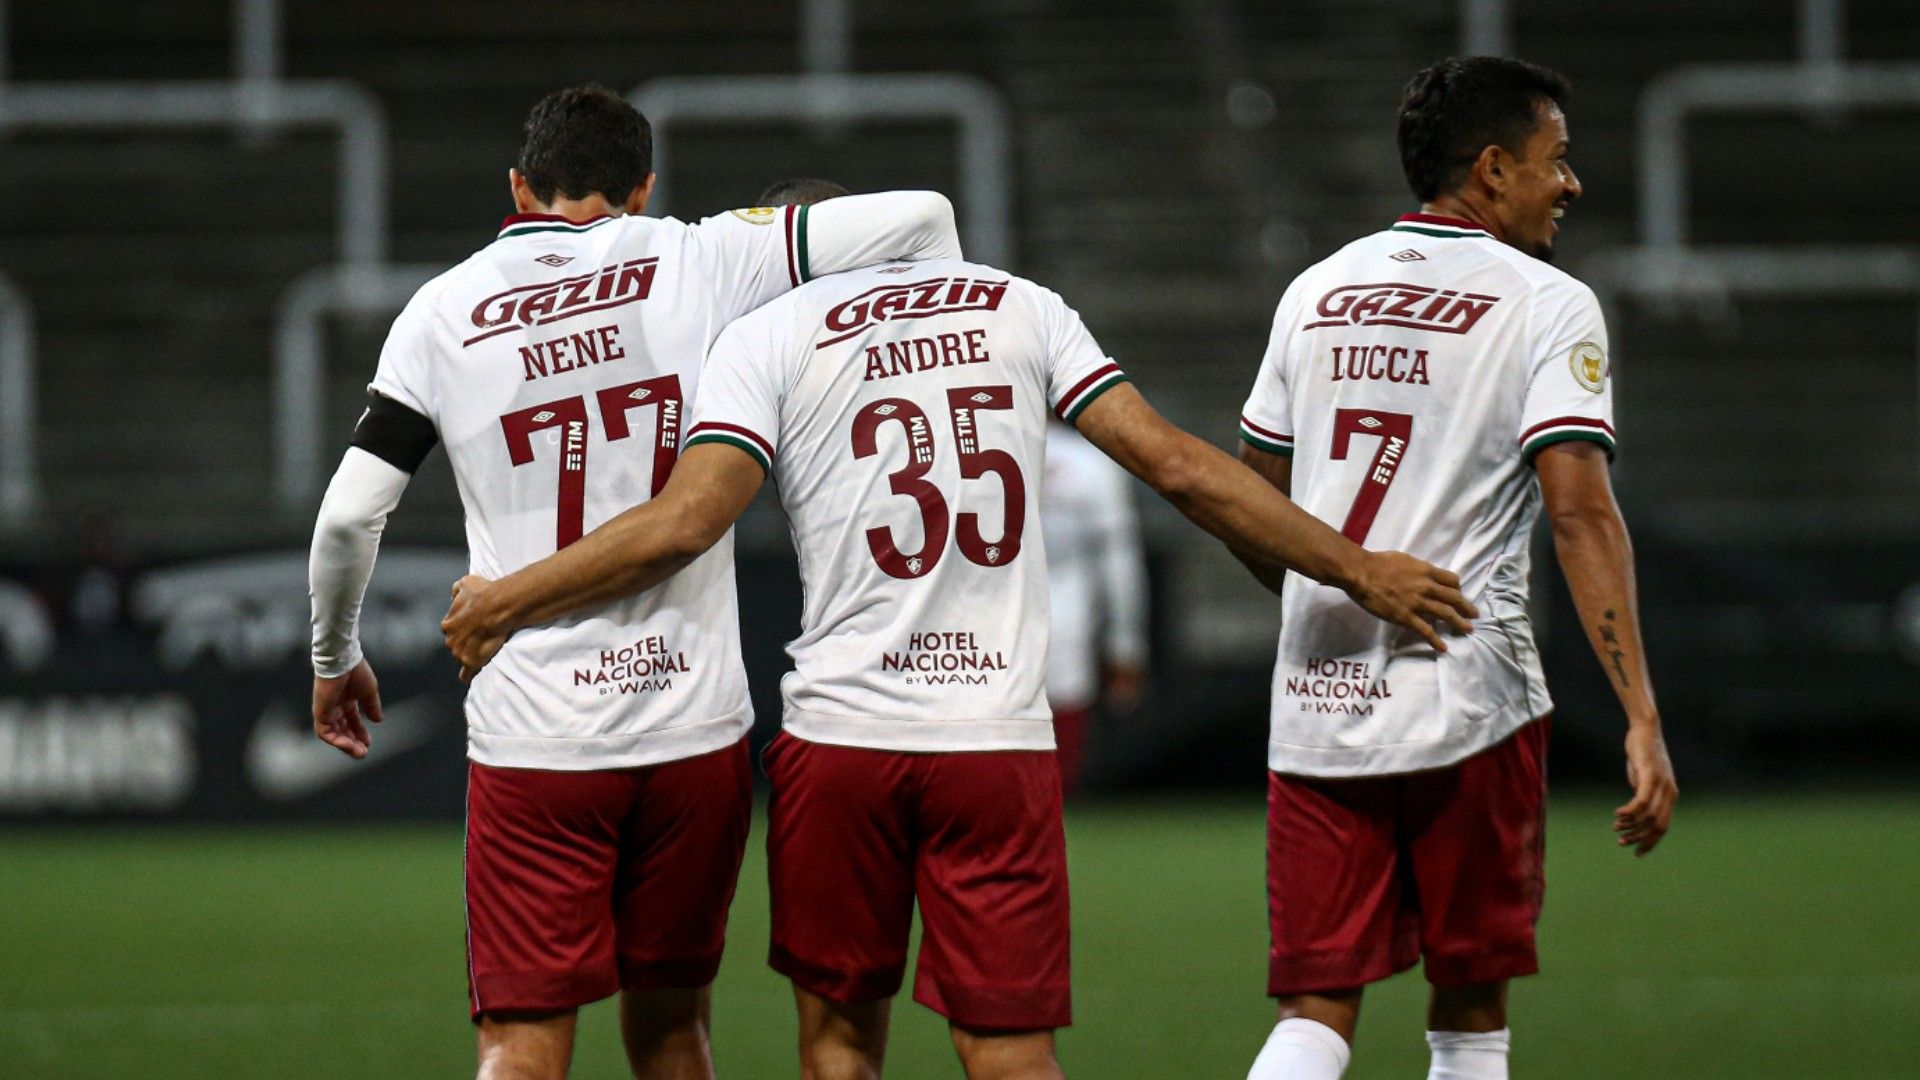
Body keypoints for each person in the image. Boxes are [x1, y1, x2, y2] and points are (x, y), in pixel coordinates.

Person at [440, 185, 1477, 1080]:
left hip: (843, 739)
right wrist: (1357, 566)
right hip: (995, 739)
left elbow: (684, 523)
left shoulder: (766, 336)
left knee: (840, 1043)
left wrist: (506, 599)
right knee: (1011, 1054)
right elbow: (1177, 466)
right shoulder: (1021, 304)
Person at [306, 87, 962, 1080]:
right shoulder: (701, 256)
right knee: (671, 1028)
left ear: (519, 187)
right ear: (643, 187)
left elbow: (350, 517)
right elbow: (921, 217)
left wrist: (333, 657)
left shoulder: (440, 311)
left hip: (537, 736)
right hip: (693, 727)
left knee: (522, 1044)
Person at [1233, 57, 1679, 1080]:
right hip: (1469, 697)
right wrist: (1642, 715)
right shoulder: (1547, 302)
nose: (1570, 183)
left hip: (1316, 700)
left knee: (1314, 1009)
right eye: (1555, 159)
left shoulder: (1315, 289)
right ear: (1492, 168)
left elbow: (1251, 498)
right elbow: (1580, 514)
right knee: (1471, 1008)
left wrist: (1326, 589)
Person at [1040, 417, 1148, 793]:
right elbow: (1119, 560)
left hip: (994, 607)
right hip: (1067, 610)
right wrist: (1125, 645)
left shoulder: (974, 452)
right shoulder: (1090, 463)